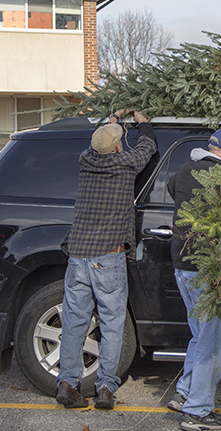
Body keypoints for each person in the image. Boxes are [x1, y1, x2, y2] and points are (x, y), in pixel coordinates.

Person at [56, 109, 157, 410]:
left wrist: (112, 120)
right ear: (117, 147)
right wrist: (142, 123)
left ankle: (67, 384)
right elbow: (147, 147)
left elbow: (96, 145)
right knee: (112, 323)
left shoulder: (85, 162)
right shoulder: (126, 164)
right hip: (108, 257)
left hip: (78, 256)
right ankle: (105, 388)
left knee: (75, 321)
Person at [166, 127, 221, 431]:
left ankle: (185, 393)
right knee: (214, 344)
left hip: (182, 265)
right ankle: (197, 411)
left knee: (200, 336)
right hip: (209, 271)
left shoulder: (184, 170)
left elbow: (176, 191)